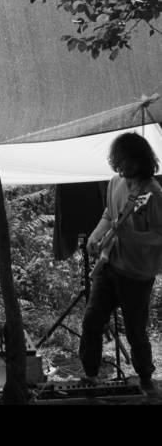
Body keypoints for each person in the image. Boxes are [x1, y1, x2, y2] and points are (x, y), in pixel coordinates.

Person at [80, 132, 162, 396]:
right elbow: (109, 214)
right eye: (117, 160)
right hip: (109, 264)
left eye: (125, 160)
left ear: (139, 160)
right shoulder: (115, 182)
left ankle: (145, 378)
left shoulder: (153, 193)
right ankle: (90, 376)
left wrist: (132, 236)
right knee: (92, 321)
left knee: (135, 331)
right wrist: (95, 236)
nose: (120, 166)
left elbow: (159, 235)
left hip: (137, 273)